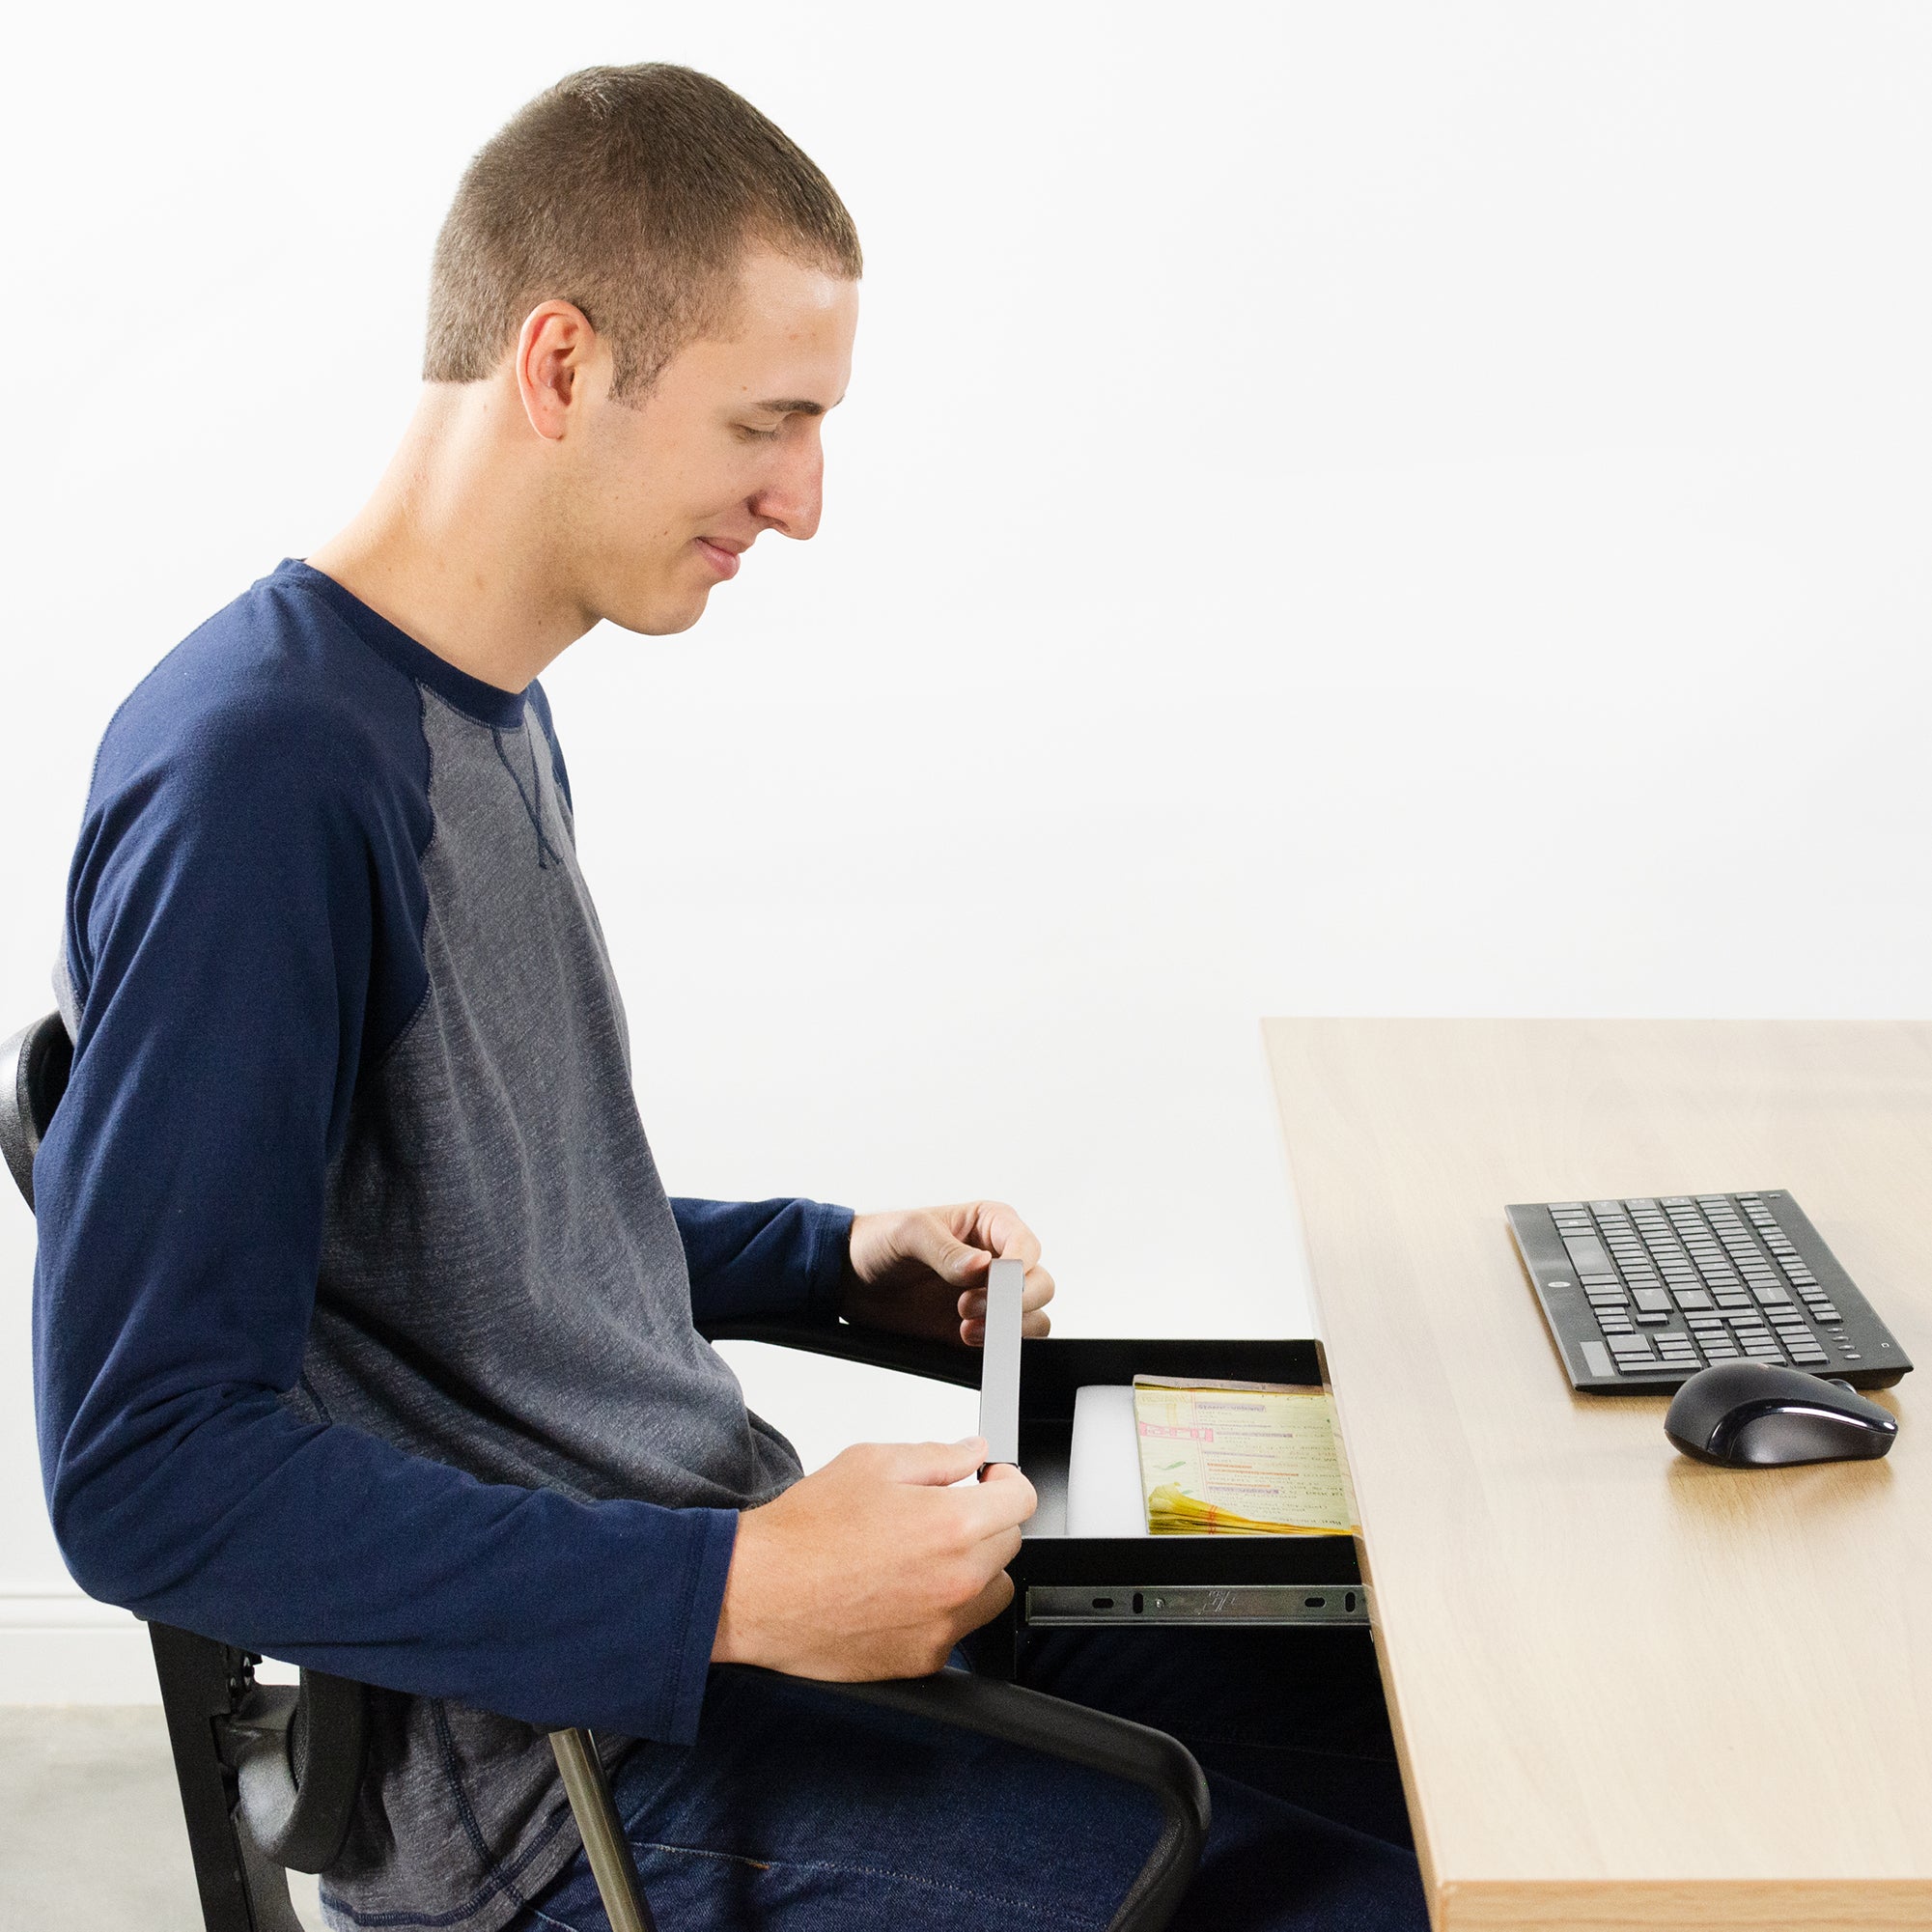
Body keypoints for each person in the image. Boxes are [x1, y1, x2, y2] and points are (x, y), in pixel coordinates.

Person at [34, 63, 1426, 1932]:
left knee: (1399, 1718)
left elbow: (457, 1248)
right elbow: (144, 1473)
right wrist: (746, 1593)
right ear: (557, 367)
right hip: (571, 1787)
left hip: (707, 1641)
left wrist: (820, 1255)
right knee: (1394, 1892)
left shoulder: (466, 706)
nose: (805, 499)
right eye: (766, 423)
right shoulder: (264, 782)